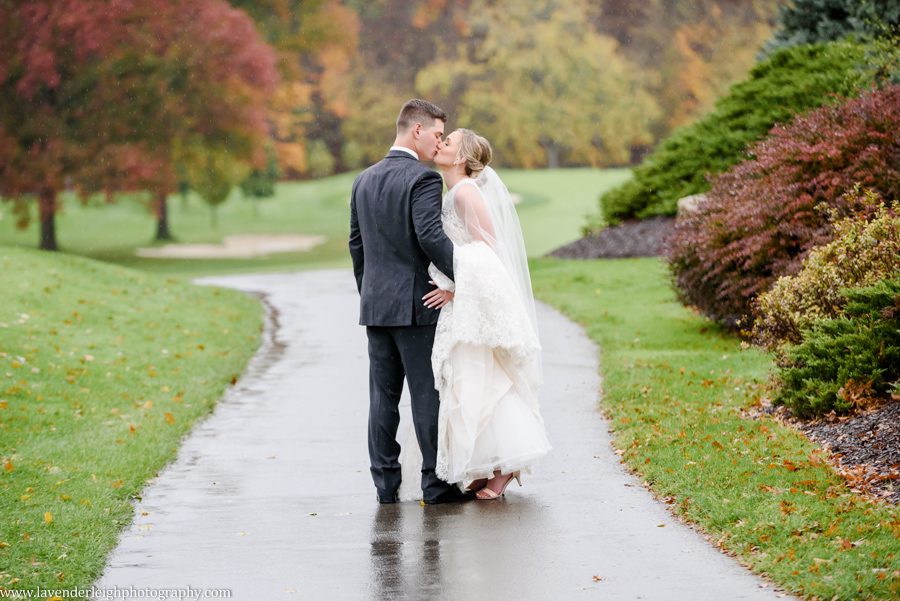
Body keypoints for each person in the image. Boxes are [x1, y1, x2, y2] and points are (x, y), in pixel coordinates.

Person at [349, 99, 472, 505]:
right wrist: (467, 277)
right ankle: (435, 485)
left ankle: (385, 487)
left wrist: (371, 293)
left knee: (382, 398)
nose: (439, 143)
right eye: (437, 134)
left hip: (376, 308)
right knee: (425, 395)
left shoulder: (363, 180)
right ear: (416, 130)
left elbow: (356, 246)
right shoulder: (423, 179)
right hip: (419, 306)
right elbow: (430, 237)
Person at [426, 128, 552, 500]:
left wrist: (455, 288)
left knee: (484, 378)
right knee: (471, 380)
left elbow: (487, 250)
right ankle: (488, 465)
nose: (441, 144)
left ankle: (506, 466)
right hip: (467, 299)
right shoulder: (454, 191)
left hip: (476, 299)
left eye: (448, 142)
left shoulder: (465, 192)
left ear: (461, 158)